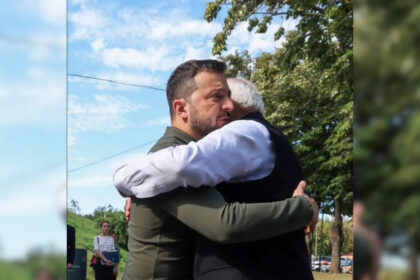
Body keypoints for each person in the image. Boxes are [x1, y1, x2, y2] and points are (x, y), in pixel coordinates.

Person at [114, 60, 318, 280]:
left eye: (228, 96)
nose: (229, 105)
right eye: (217, 97)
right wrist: (303, 209)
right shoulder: (172, 158)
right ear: (182, 109)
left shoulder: (201, 163)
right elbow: (223, 223)